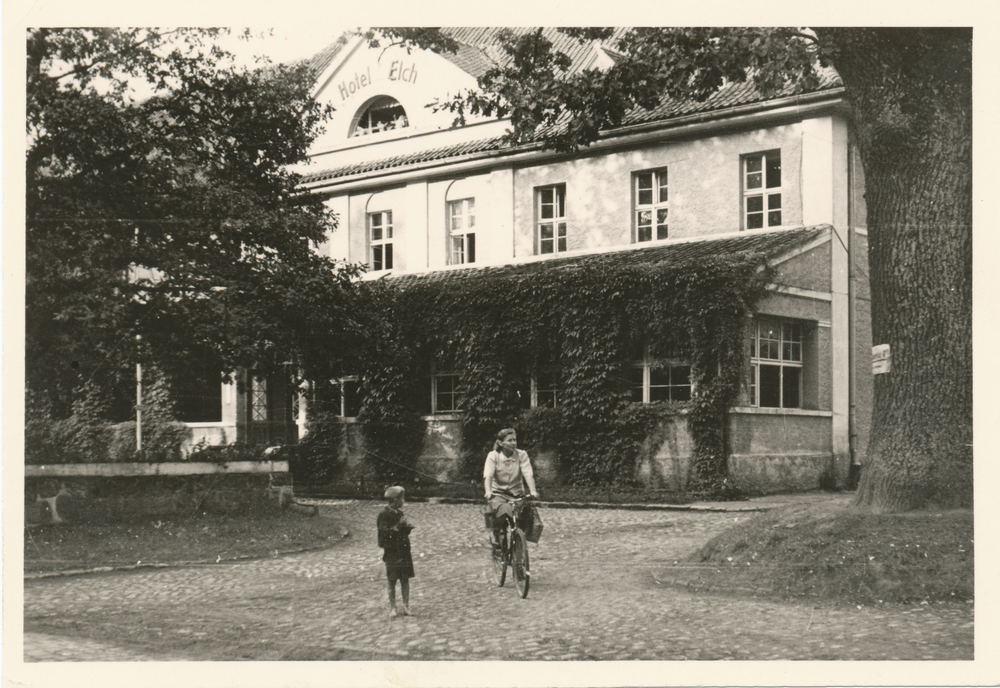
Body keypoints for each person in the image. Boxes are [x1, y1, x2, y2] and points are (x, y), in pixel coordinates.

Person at [483, 428, 539, 544]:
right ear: (500, 443)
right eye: (509, 440)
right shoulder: (493, 456)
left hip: (517, 493)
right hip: (499, 494)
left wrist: (533, 491)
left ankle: (519, 546)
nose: (513, 443)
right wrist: (488, 492)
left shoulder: (521, 455)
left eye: (515, 440)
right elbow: (488, 475)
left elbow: (528, 473)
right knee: (500, 515)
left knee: (524, 520)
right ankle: (497, 534)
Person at [377, 485, 414, 618]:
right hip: (392, 553)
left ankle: (406, 606)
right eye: (402, 498)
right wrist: (398, 526)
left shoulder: (400, 514)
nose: (403, 501)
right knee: (392, 580)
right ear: (395, 500)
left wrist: (407, 528)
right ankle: (393, 607)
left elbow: (402, 532)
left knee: (405, 579)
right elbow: (383, 534)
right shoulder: (383, 515)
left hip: (403, 551)